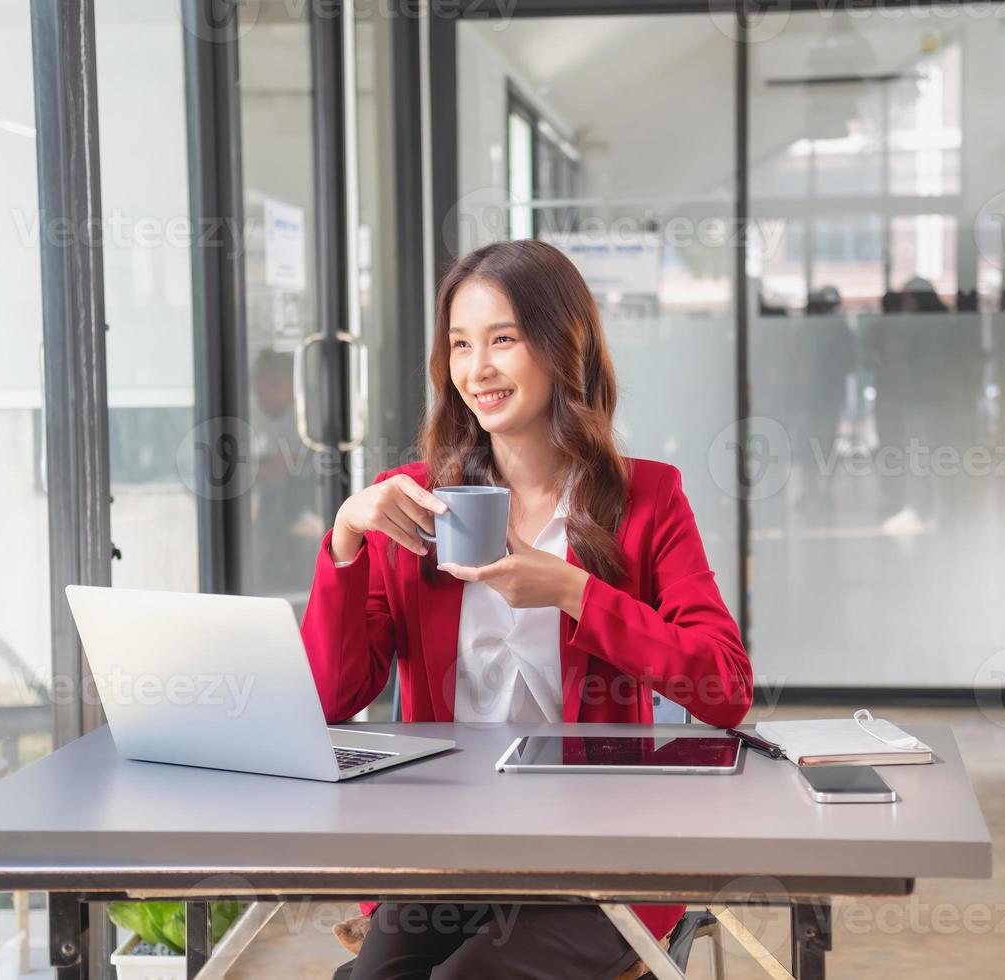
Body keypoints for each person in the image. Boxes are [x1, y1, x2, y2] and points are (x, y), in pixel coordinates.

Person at [300, 239, 753, 979]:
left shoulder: (647, 500)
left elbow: (725, 688)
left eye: (503, 340)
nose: (477, 369)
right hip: (451, 848)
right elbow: (332, 695)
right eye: (460, 345)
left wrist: (575, 592)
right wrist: (346, 537)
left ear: (561, 346)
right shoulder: (410, 502)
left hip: (601, 856)